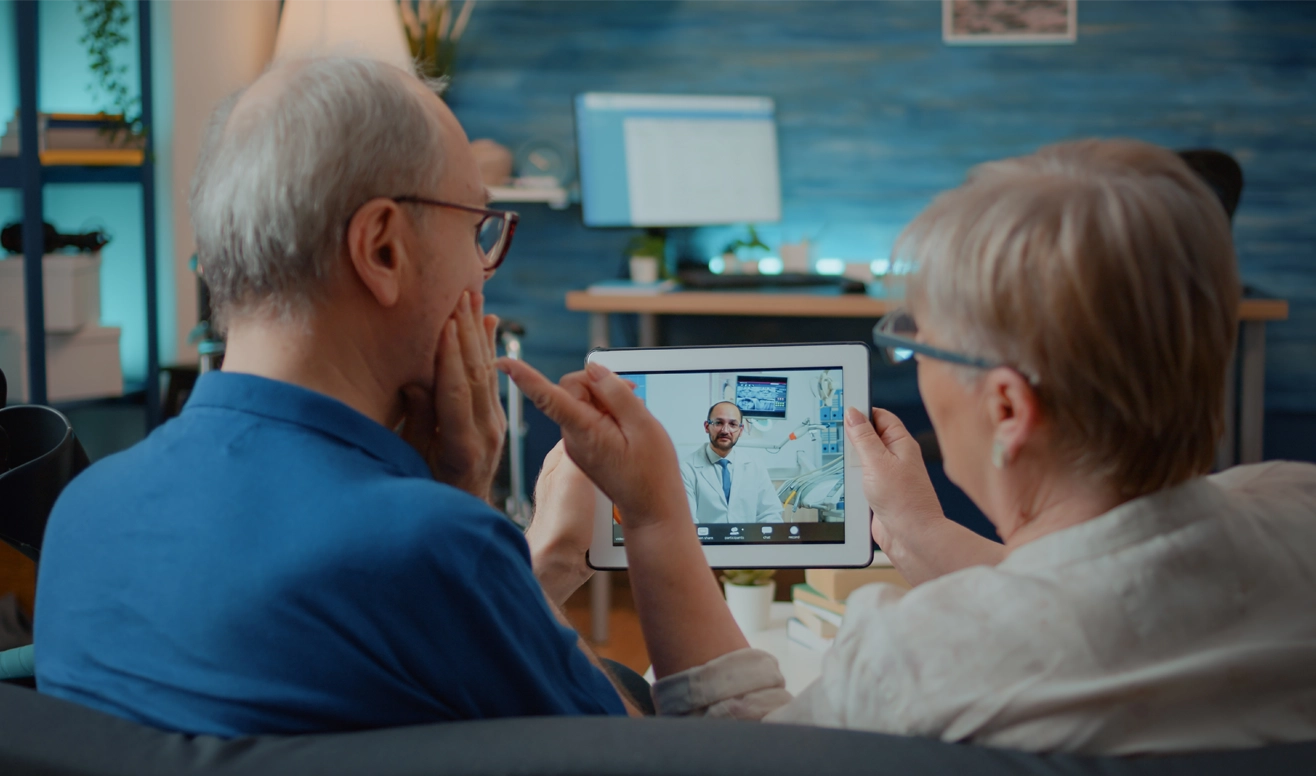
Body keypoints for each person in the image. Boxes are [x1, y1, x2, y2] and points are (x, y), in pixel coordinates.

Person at [501, 138, 1316, 755]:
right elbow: (1119, 589)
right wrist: (922, 532)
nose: (915, 360)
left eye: (923, 342)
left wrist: (648, 520)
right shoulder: (1297, 511)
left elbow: (742, 746)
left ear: (1006, 405)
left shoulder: (924, 658)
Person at [34, 56, 635, 737]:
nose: (482, 270)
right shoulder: (431, 546)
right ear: (381, 249)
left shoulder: (82, 512)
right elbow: (636, 752)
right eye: (477, 229)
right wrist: (480, 508)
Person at [681, 401, 784, 524]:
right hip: (705, 542)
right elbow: (686, 522)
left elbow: (770, 513)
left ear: (740, 430)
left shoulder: (755, 467)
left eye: (732, 424)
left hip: (748, 542)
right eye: (718, 423)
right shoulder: (686, 468)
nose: (725, 430)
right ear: (707, 427)